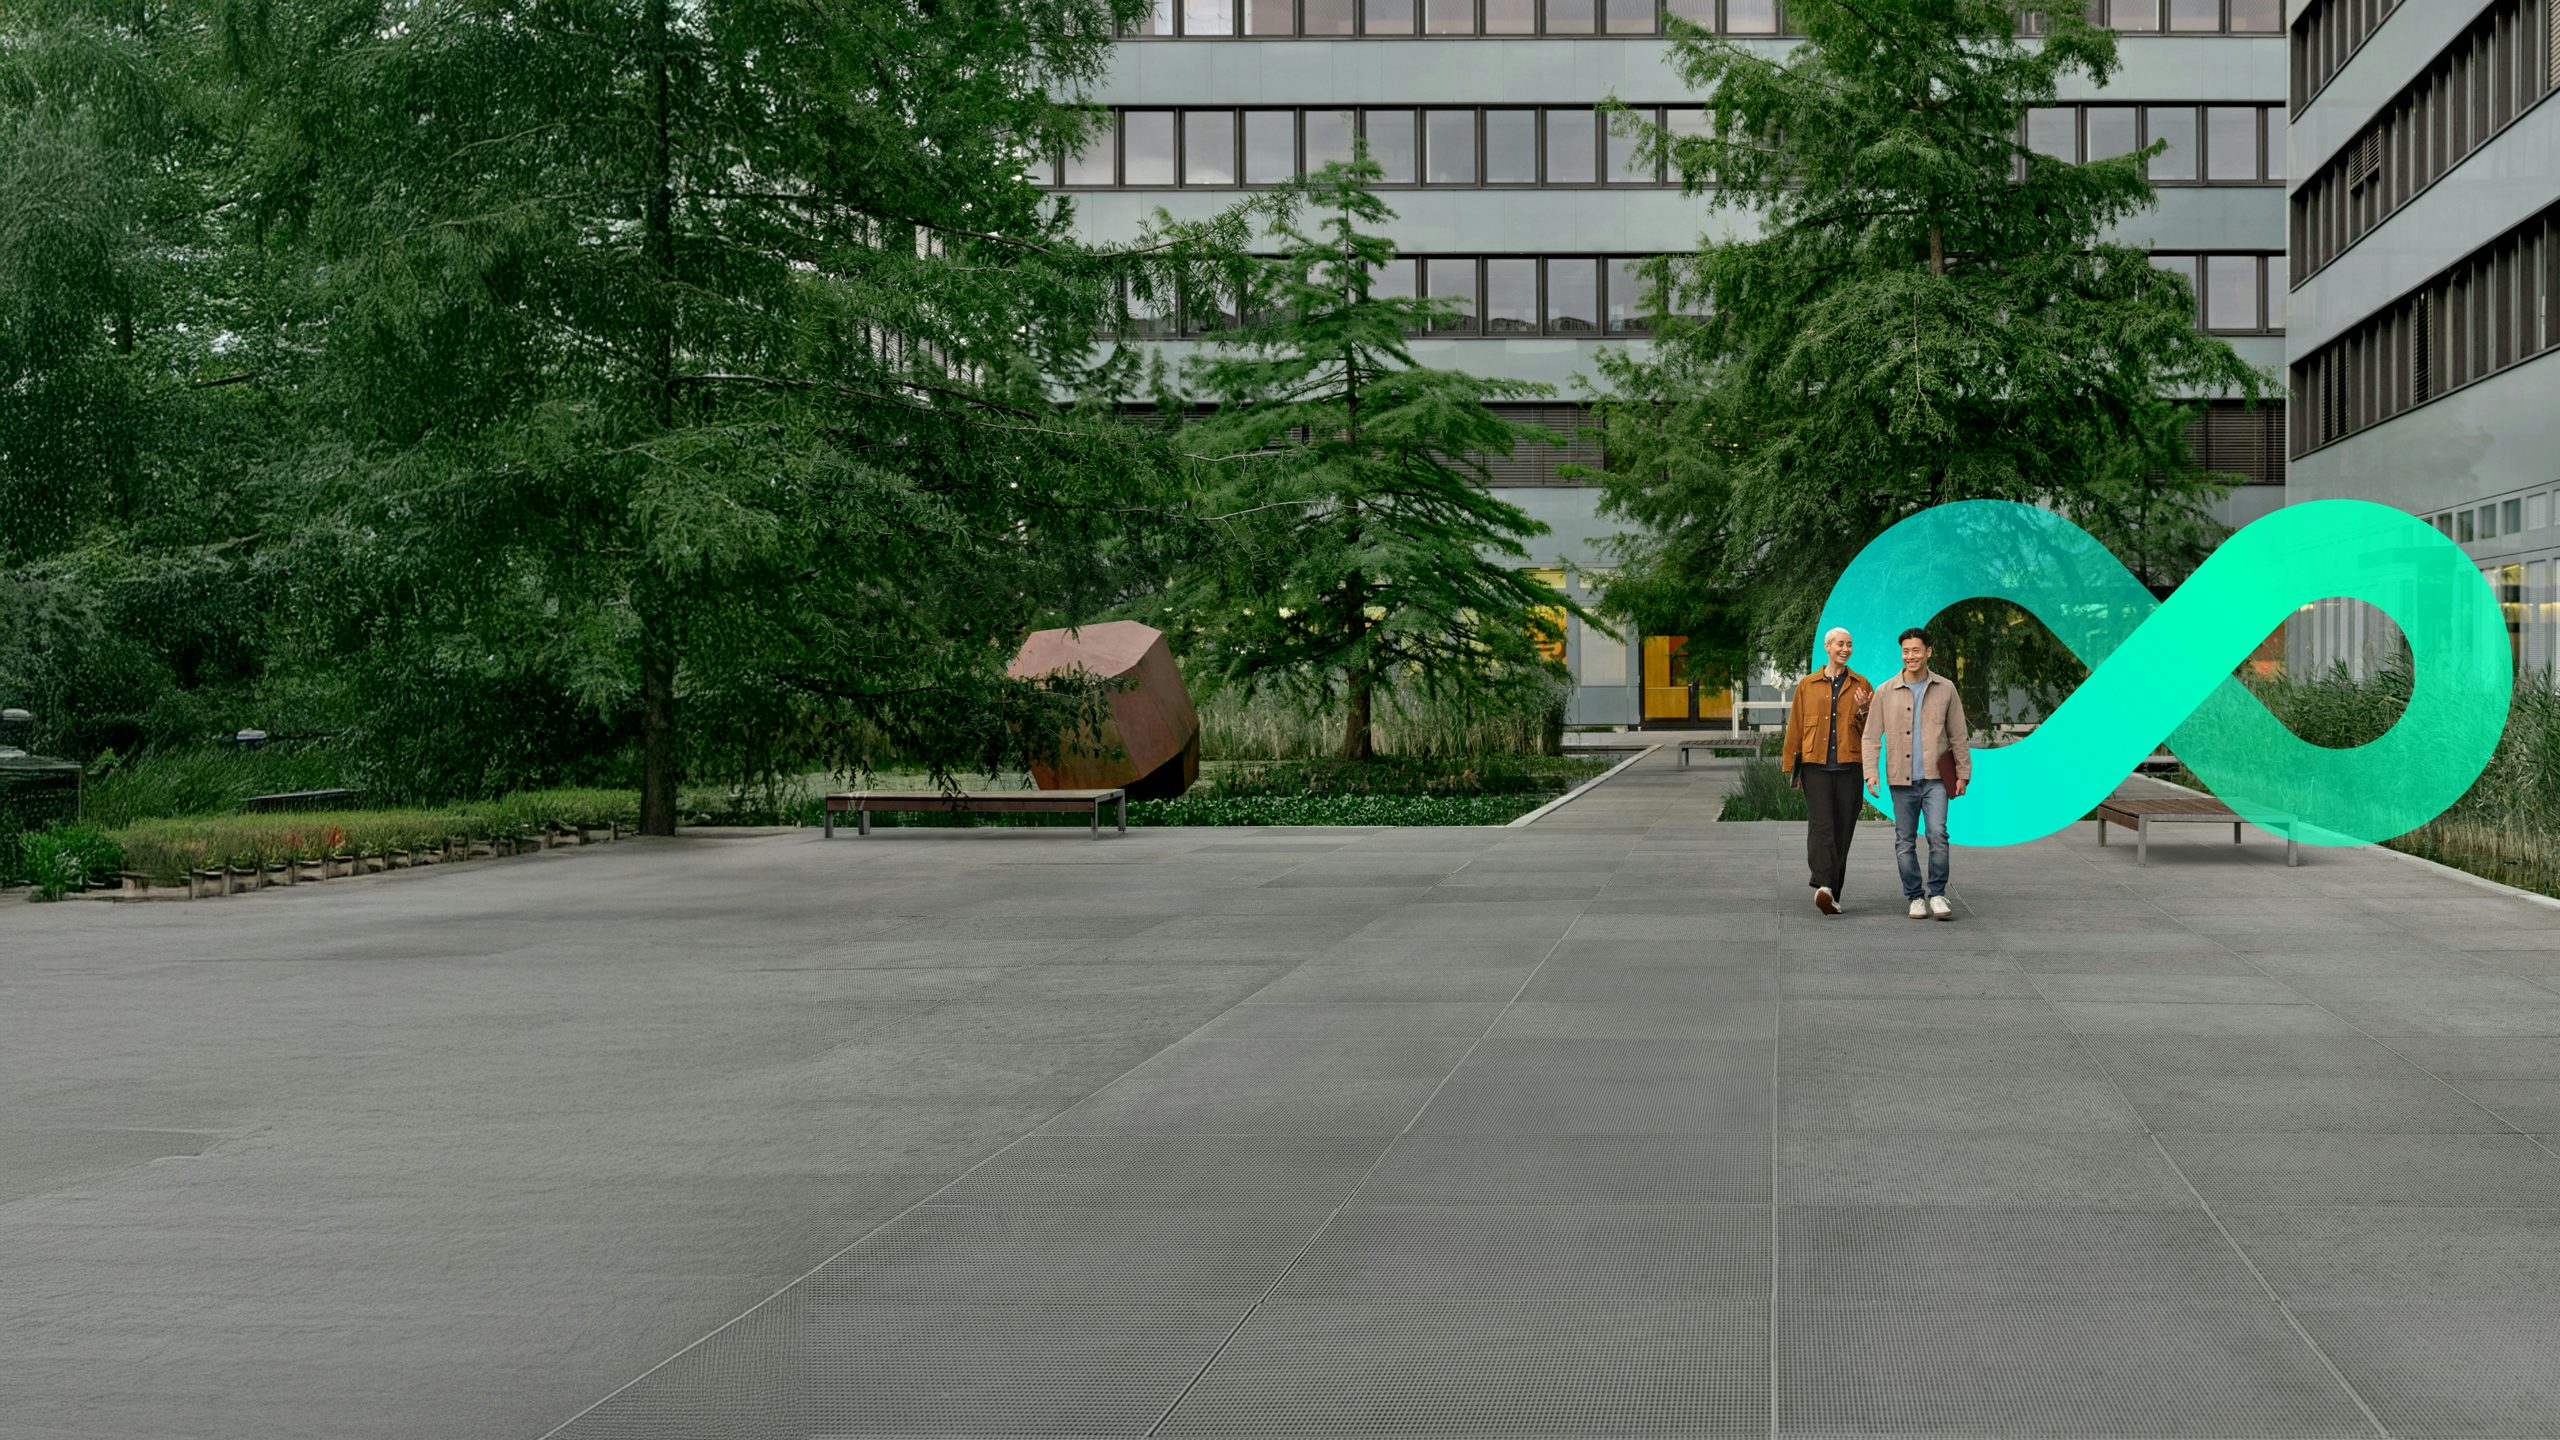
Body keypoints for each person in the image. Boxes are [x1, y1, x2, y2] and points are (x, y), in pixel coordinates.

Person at [1862, 626, 1971, 921]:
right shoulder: (1885, 691)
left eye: (1916, 650)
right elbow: (1871, 736)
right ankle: (1914, 897)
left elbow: (1958, 734)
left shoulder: (1946, 688)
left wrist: (1963, 773)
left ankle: (1937, 893)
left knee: (1938, 834)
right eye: (1906, 651)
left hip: (1936, 779)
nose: (1911, 656)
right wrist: (1870, 772)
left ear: (1928, 652)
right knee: (1904, 840)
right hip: (1901, 780)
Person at [1781, 627, 1873, 915]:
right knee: (1822, 826)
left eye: (1849, 644)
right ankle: (1825, 886)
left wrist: (1864, 709)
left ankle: (1830, 890)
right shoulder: (1807, 685)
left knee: (1843, 828)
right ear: (1827, 646)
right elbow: (1795, 725)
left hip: (1850, 766)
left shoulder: (1861, 684)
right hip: (1815, 766)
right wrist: (1791, 767)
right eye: (1840, 644)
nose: (1845, 649)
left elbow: (1869, 729)